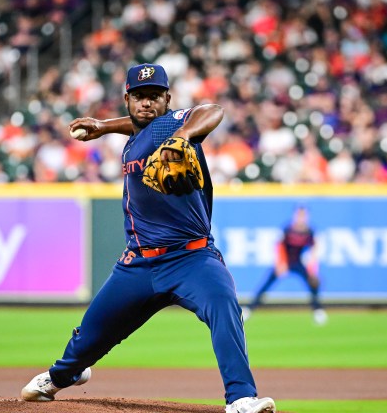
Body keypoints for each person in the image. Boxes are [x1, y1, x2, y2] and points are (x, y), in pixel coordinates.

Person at [20, 63, 276, 413]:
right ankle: (63, 375)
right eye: (139, 96)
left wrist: (183, 137)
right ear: (127, 98)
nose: (146, 103)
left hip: (192, 259)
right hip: (138, 263)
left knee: (224, 305)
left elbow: (212, 110)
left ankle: (241, 398)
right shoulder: (140, 131)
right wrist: (103, 126)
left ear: (167, 99)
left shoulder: (174, 125)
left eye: (154, 96)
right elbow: (139, 125)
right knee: (90, 336)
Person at [242, 206, 327, 325]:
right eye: (299, 215)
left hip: (298, 262)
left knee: (313, 283)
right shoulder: (287, 229)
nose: (301, 217)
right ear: (295, 216)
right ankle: (249, 309)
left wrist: (312, 270)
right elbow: (279, 246)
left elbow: (314, 250)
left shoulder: (310, 232)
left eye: (304, 215)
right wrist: (281, 264)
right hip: (284, 261)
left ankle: (318, 310)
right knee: (266, 284)